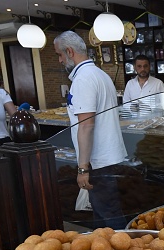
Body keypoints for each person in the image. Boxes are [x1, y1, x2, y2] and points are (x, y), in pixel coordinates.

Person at [53, 30, 128, 229]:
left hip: (98, 160)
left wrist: (83, 168)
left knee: (109, 215)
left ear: (69, 51)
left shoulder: (83, 79)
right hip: (106, 157)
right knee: (104, 215)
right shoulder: (99, 75)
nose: (60, 61)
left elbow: (86, 125)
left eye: (60, 55)